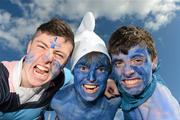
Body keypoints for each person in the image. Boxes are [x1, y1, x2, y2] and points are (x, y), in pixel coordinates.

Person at [50, 12, 121, 120]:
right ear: (73, 71)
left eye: (101, 69)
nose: (91, 78)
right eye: (83, 68)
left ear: (108, 73)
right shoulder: (57, 100)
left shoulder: (116, 98)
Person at [0, 18, 74, 119]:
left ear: (64, 64)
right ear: (29, 47)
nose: (47, 58)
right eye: (42, 47)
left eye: (59, 55)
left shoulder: (63, 79)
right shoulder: (2, 78)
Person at [108, 25, 180, 119]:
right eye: (119, 63)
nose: (127, 72)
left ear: (154, 62)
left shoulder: (161, 114)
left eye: (137, 60)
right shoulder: (144, 79)